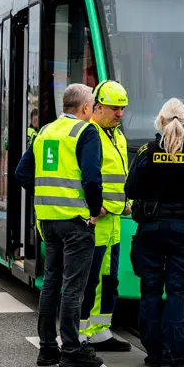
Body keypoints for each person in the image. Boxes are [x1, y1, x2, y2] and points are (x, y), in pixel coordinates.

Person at [12, 83, 104, 367]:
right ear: (86, 108)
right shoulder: (86, 132)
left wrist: (44, 195)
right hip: (76, 221)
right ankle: (72, 349)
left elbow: (22, 172)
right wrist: (92, 210)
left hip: (48, 221)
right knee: (74, 286)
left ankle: (48, 348)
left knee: (51, 282)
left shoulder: (45, 132)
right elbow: (91, 177)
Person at [126, 98, 184, 367]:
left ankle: (153, 351)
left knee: (150, 291)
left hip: (149, 228)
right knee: (176, 292)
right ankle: (174, 353)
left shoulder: (145, 152)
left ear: (160, 122)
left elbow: (130, 188)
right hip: (182, 230)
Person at [78, 80, 133, 352]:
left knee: (109, 278)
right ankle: (81, 331)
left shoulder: (117, 136)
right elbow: (83, 175)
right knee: (90, 278)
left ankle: (101, 330)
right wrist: (93, 204)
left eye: (122, 108)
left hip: (114, 220)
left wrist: (128, 201)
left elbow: (122, 176)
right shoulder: (90, 134)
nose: (120, 113)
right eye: (115, 108)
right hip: (96, 220)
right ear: (97, 107)